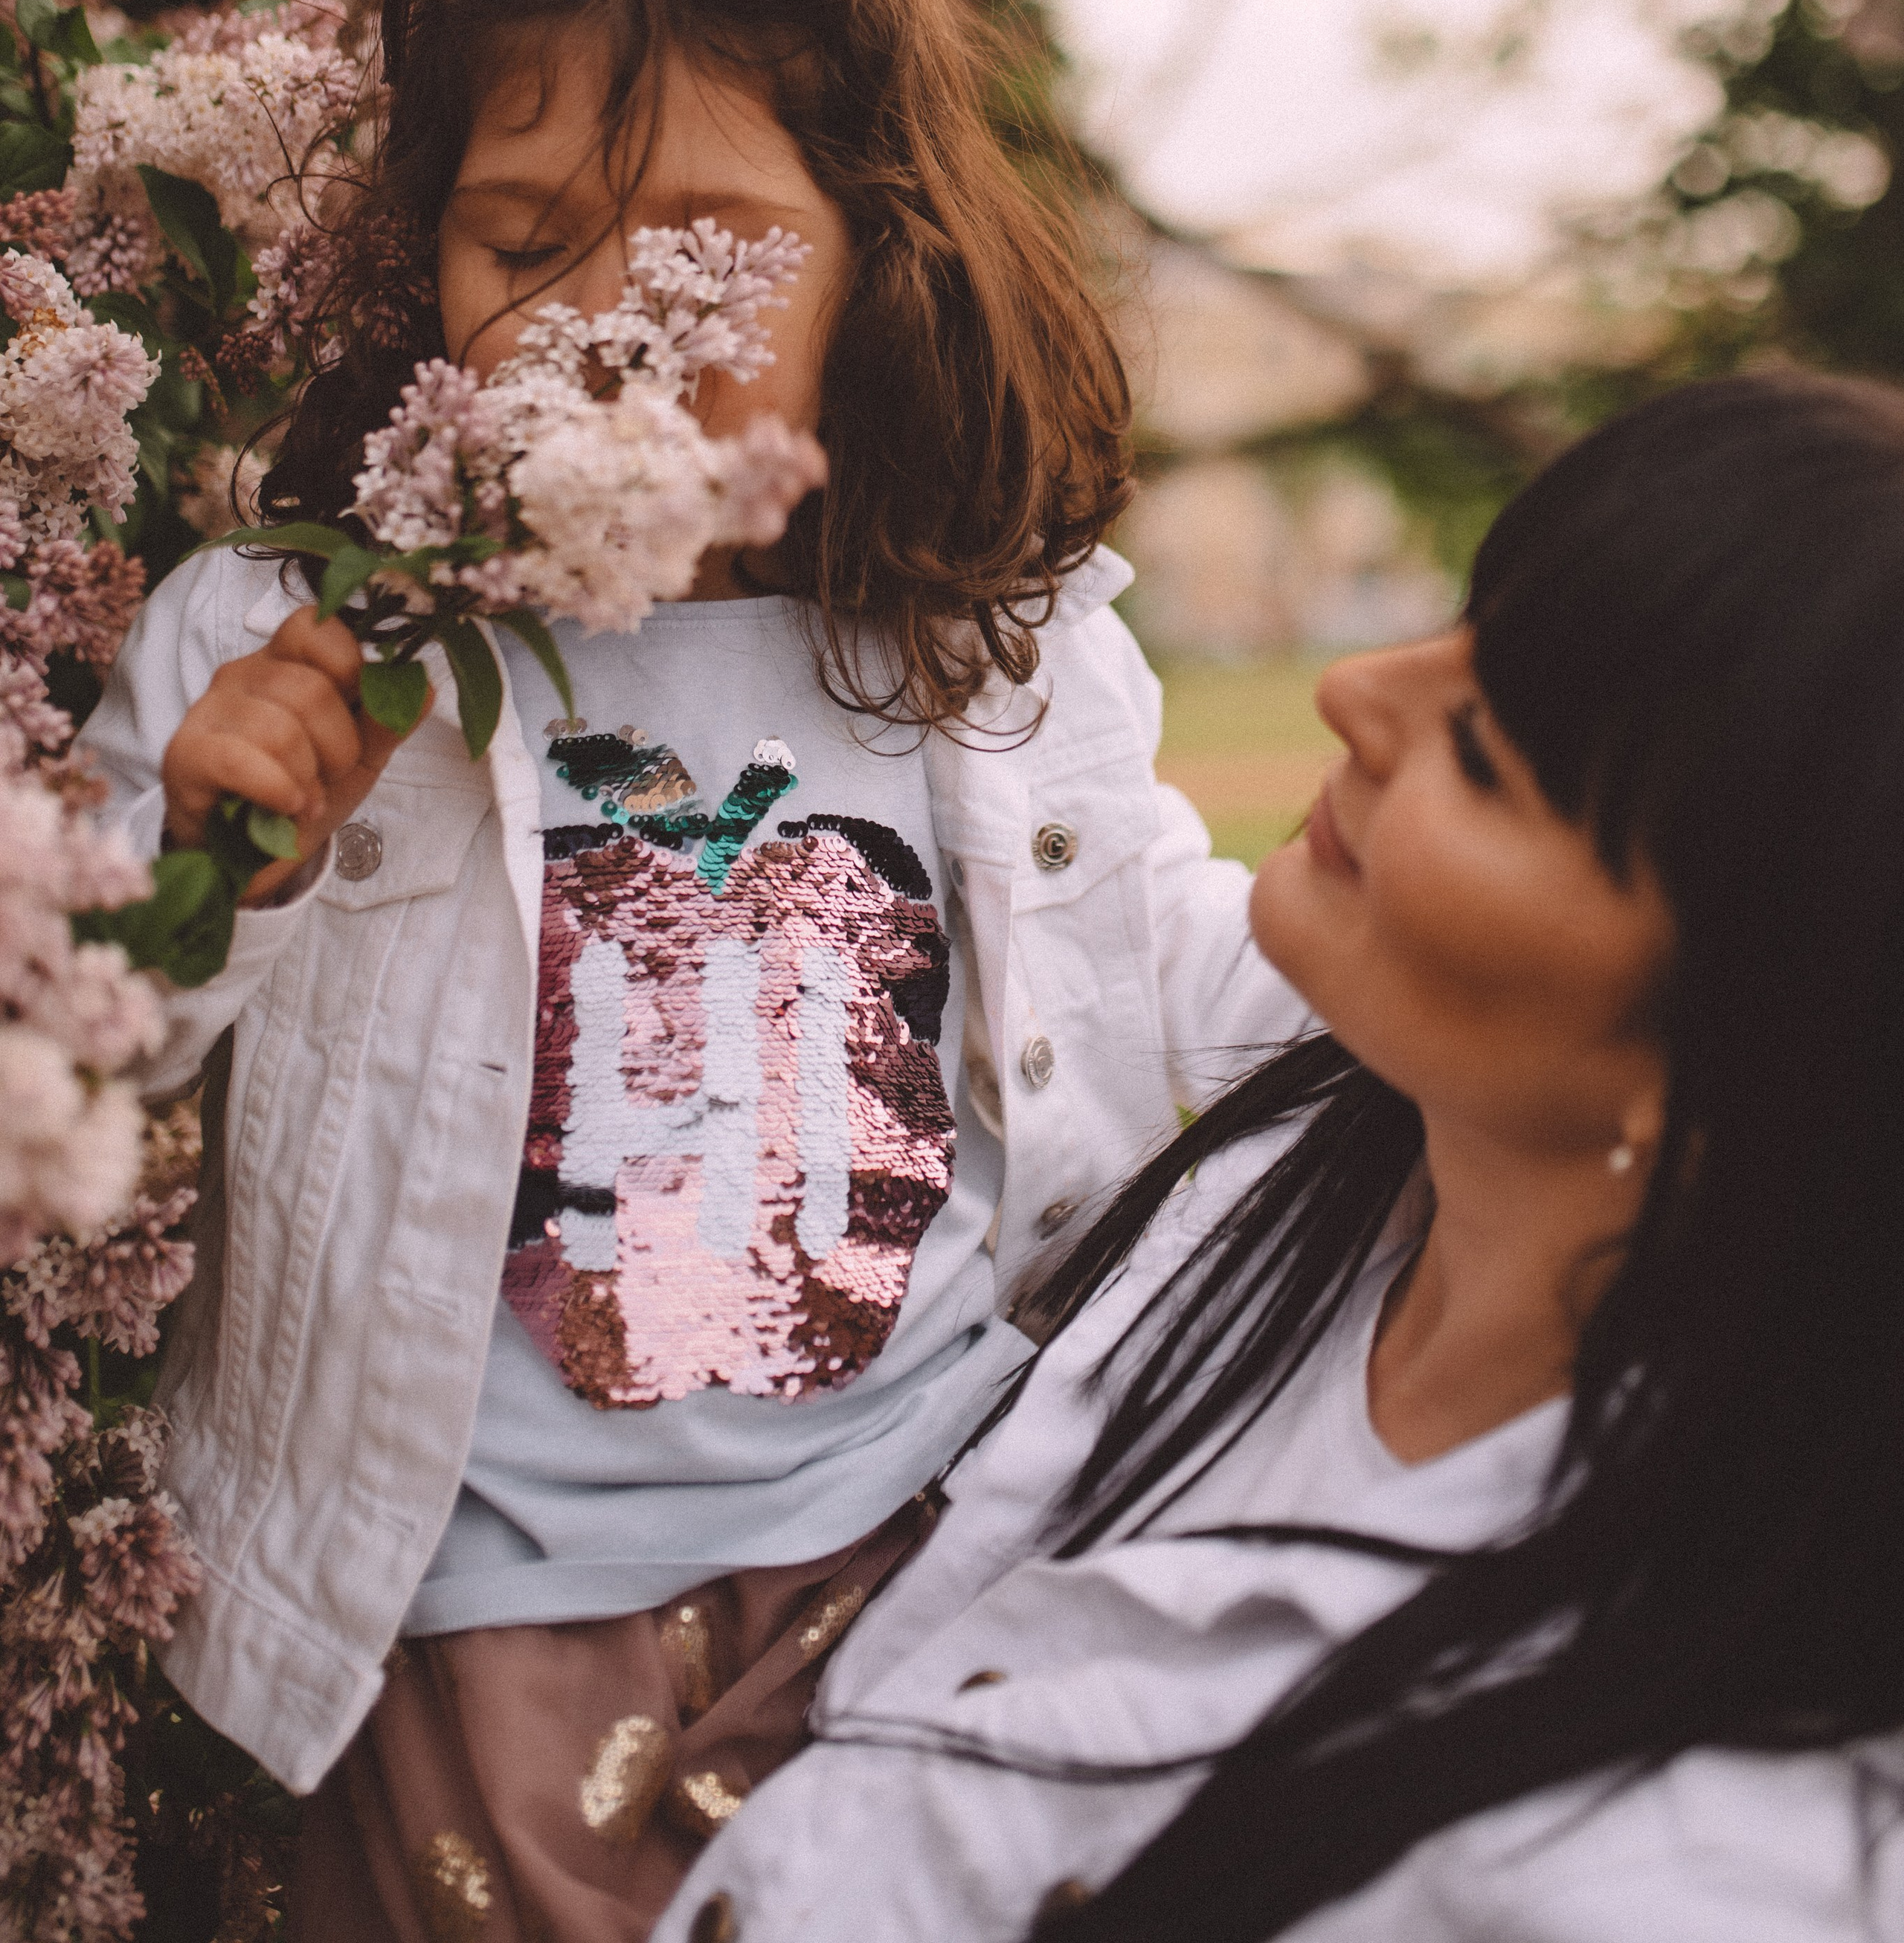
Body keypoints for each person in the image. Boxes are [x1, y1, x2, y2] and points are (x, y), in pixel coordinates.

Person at [80, 0, 1304, 1941]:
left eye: (709, 247)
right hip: (463, 1608)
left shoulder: (991, 649)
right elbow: (88, 1053)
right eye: (522, 240)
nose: (607, 320)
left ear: (874, 260)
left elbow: (1168, 966)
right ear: (422, 263)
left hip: (914, 1559)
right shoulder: (285, 641)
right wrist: (211, 863)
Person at [654, 367, 1904, 1943]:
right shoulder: (1335, 1165)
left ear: (1753, 1056)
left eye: (1485, 754)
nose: (1356, 689)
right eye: (1462, 626)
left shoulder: (1673, 1872)